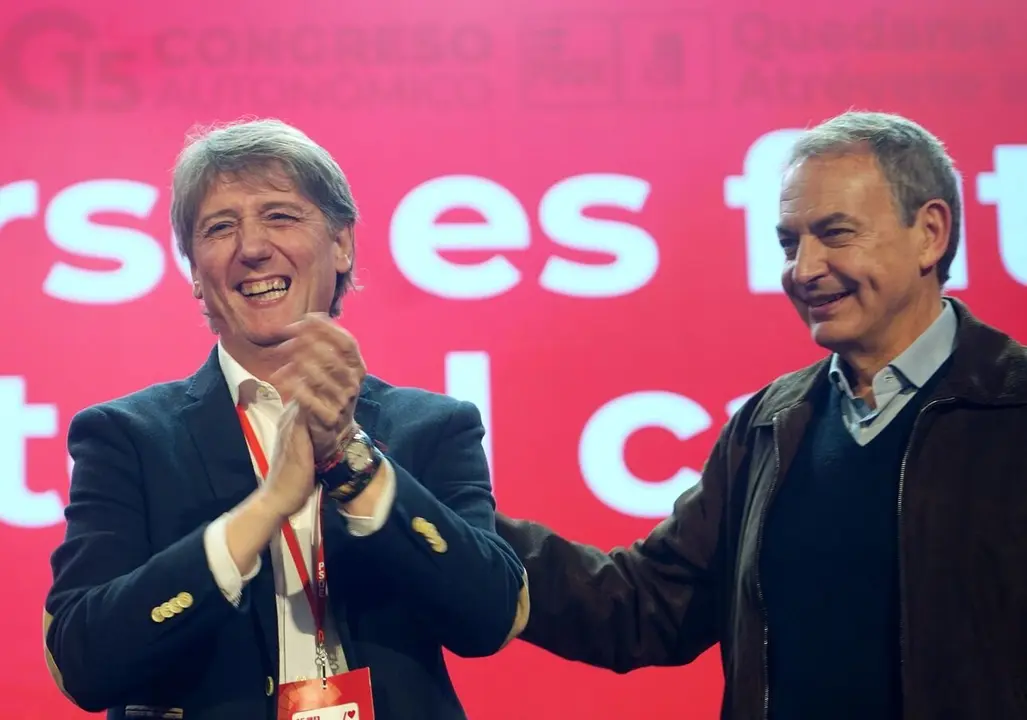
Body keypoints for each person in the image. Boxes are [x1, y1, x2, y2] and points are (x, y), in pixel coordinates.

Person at [497, 110, 1027, 719]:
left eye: (836, 233)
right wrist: (445, 522)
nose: (803, 270)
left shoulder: (1012, 406)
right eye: (789, 242)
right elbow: (643, 605)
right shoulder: (769, 425)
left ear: (929, 233)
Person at [43, 118, 529, 720]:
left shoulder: (432, 428)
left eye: (280, 215)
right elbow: (83, 662)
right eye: (219, 228)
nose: (251, 247)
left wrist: (353, 465)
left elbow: (490, 618)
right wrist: (265, 509)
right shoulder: (126, 438)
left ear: (342, 243)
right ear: (195, 271)